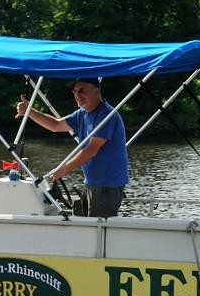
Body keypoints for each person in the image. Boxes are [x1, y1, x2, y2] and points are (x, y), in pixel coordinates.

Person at [15, 77, 128, 217]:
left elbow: (91, 150)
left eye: (82, 91)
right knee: (89, 228)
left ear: (96, 91)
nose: (77, 95)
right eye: (75, 91)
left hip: (107, 185)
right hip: (92, 182)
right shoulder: (82, 114)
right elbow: (55, 125)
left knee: (98, 231)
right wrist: (30, 111)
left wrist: (63, 169)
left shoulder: (106, 114)